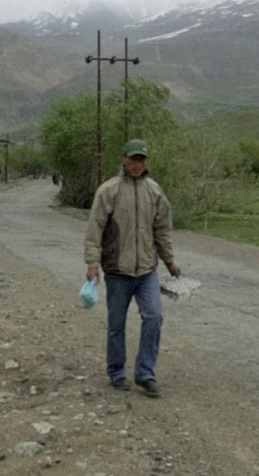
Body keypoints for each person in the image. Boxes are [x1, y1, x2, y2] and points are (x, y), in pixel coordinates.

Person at [84, 139, 181, 398]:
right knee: (116, 324)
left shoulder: (154, 191)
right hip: (117, 270)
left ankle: (145, 374)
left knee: (154, 317)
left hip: (147, 270)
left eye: (142, 160)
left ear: (146, 162)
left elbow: (163, 228)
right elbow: (95, 229)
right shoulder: (109, 190)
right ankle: (117, 372)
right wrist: (92, 264)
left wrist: (169, 260)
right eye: (133, 159)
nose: (137, 164)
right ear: (124, 158)